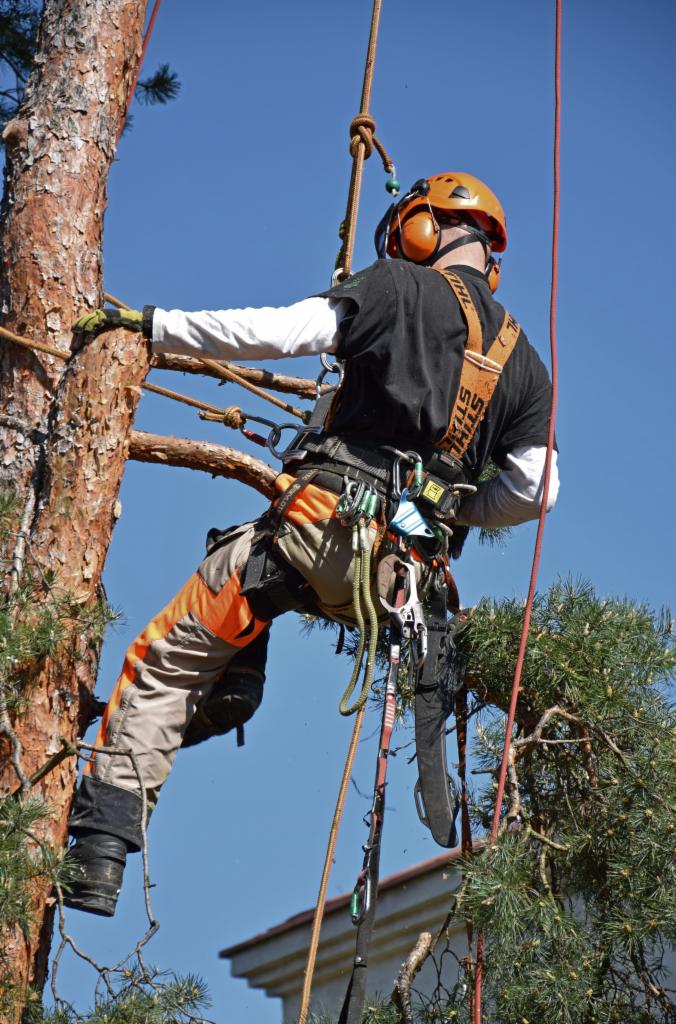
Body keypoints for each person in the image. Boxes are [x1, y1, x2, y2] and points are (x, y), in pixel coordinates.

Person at [67, 172, 559, 916]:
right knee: (243, 560)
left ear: (428, 232)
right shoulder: (526, 363)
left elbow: (290, 332)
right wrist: (453, 512)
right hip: (404, 582)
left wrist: (154, 326)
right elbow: (536, 490)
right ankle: (238, 684)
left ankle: (96, 854)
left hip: (319, 533)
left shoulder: (397, 286)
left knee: (168, 658)